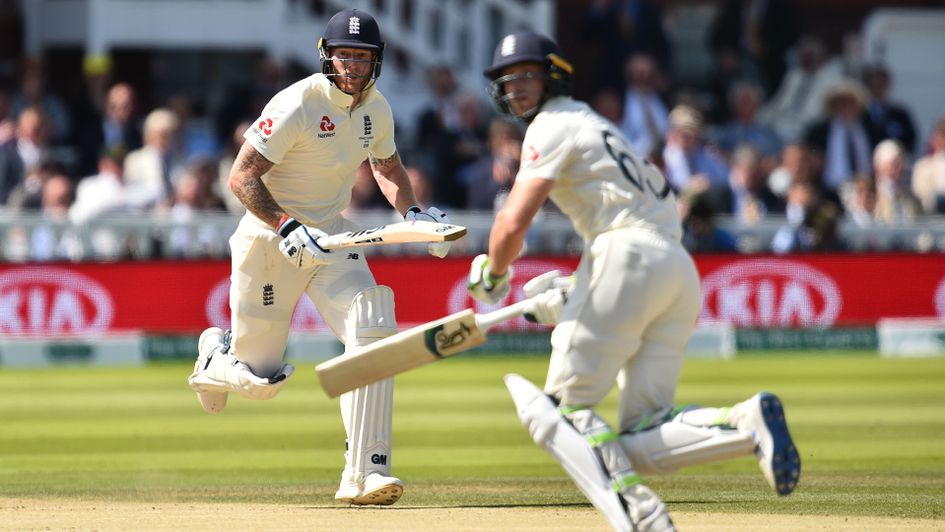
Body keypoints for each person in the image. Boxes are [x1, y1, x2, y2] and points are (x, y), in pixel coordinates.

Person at [470, 30, 800, 531]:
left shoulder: (550, 124)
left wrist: (493, 275)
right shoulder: (601, 126)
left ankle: (641, 516)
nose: (517, 91)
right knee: (644, 432)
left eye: (528, 78)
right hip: (675, 268)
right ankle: (744, 423)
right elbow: (630, 223)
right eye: (509, 82)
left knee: (559, 412)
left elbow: (512, 223)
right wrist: (578, 290)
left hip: (629, 256)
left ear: (553, 76)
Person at [186, 9, 452, 507]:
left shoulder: (378, 108)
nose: (352, 65)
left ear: (377, 61)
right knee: (259, 380)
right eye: (343, 55)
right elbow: (241, 178)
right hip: (270, 240)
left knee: (372, 323)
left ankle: (366, 472)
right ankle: (213, 357)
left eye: (362, 57)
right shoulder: (298, 103)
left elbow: (387, 163)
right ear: (327, 56)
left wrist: (415, 212)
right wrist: (287, 225)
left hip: (333, 237)